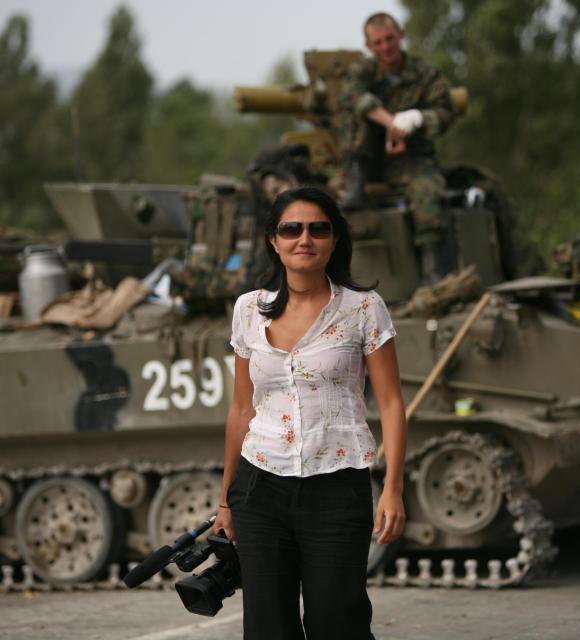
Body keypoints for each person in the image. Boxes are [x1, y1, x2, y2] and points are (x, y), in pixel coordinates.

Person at [214, 186, 407, 640]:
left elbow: (392, 404)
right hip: (260, 487)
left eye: (318, 228)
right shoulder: (249, 310)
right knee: (267, 628)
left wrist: (393, 489)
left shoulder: (363, 309)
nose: (305, 238)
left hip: (337, 487)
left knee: (336, 622)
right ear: (273, 241)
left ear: (335, 239)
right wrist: (226, 500)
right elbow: (242, 408)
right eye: (291, 228)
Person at [337, 12, 456, 283]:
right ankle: (355, 178)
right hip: (364, 160)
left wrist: (417, 119)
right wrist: (391, 122)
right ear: (368, 47)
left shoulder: (425, 74)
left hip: (409, 159)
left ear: (400, 36)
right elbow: (352, 94)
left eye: (390, 39)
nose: (385, 47)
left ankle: (431, 267)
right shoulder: (363, 71)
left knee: (428, 191)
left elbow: (446, 110)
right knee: (352, 107)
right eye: (377, 42)